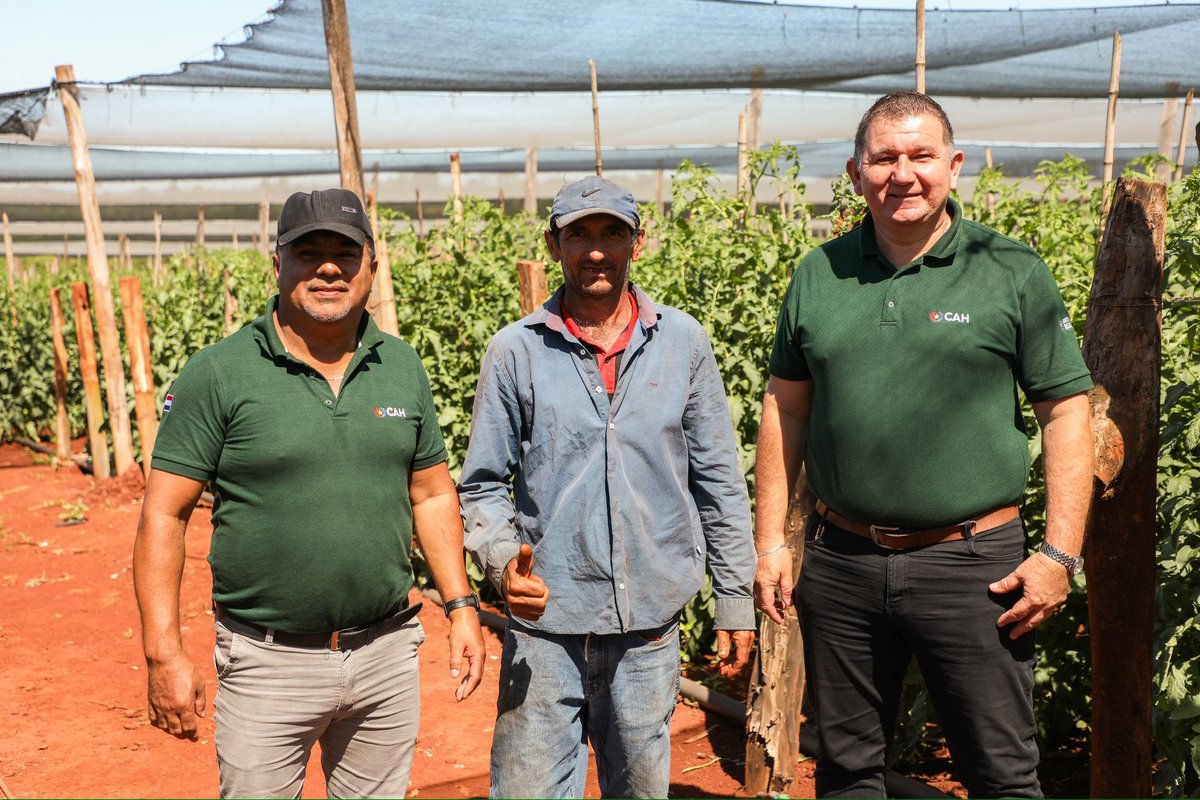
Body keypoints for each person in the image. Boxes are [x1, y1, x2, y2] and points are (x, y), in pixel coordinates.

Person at [754, 92, 1094, 798]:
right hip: (842, 561)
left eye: (921, 156)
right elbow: (784, 408)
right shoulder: (819, 273)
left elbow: (1066, 412)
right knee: (848, 768)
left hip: (974, 565)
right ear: (855, 173)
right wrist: (771, 545)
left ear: (954, 165)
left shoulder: (1009, 270)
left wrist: (1060, 553)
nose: (902, 174)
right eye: (883, 158)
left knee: (1000, 771)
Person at [133, 188, 486, 799]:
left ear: (371, 267)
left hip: (386, 654)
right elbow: (165, 513)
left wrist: (460, 605)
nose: (328, 268)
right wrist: (164, 653)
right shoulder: (220, 373)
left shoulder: (401, 366)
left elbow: (430, 494)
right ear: (278, 265)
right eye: (308, 252)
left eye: (345, 253)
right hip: (267, 662)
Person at [458, 175, 757, 798]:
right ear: (554, 244)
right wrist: (500, 564)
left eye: (611, 233)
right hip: (545, 624)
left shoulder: (682, 343)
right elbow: (482, 485)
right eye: (579, 235)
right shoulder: (515, 351)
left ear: (636, 244)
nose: (596, 249)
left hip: (649, 624)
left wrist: (735, 600)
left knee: (641, 790)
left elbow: (720, 481)